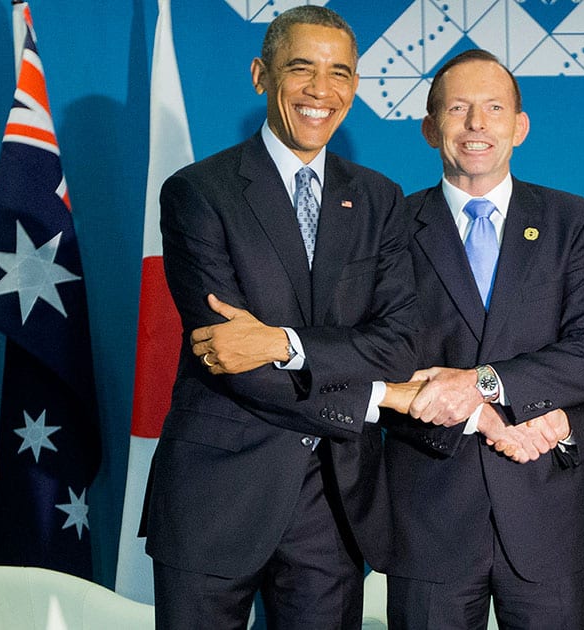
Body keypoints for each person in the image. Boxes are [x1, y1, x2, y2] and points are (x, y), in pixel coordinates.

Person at [143, 6, 418, 629]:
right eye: (302, 69)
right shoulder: (199, 192)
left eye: (340, 73)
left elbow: (398, 344)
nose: (322, 91)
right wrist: (366, 402)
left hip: (334, 504)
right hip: (216, 496)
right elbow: (230, 356)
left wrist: (282, 342)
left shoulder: (379, 198)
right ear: (261, 76)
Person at [378, 49, 584, 629]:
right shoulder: (389, 229)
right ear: (431, 128)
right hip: (428, 515)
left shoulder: (575, 222)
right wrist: (476, 415)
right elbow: (381, 359)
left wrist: (486, 385)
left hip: (547, 511)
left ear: (520, 125)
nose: (477, 125)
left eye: (494, 108)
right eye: (458, 109)